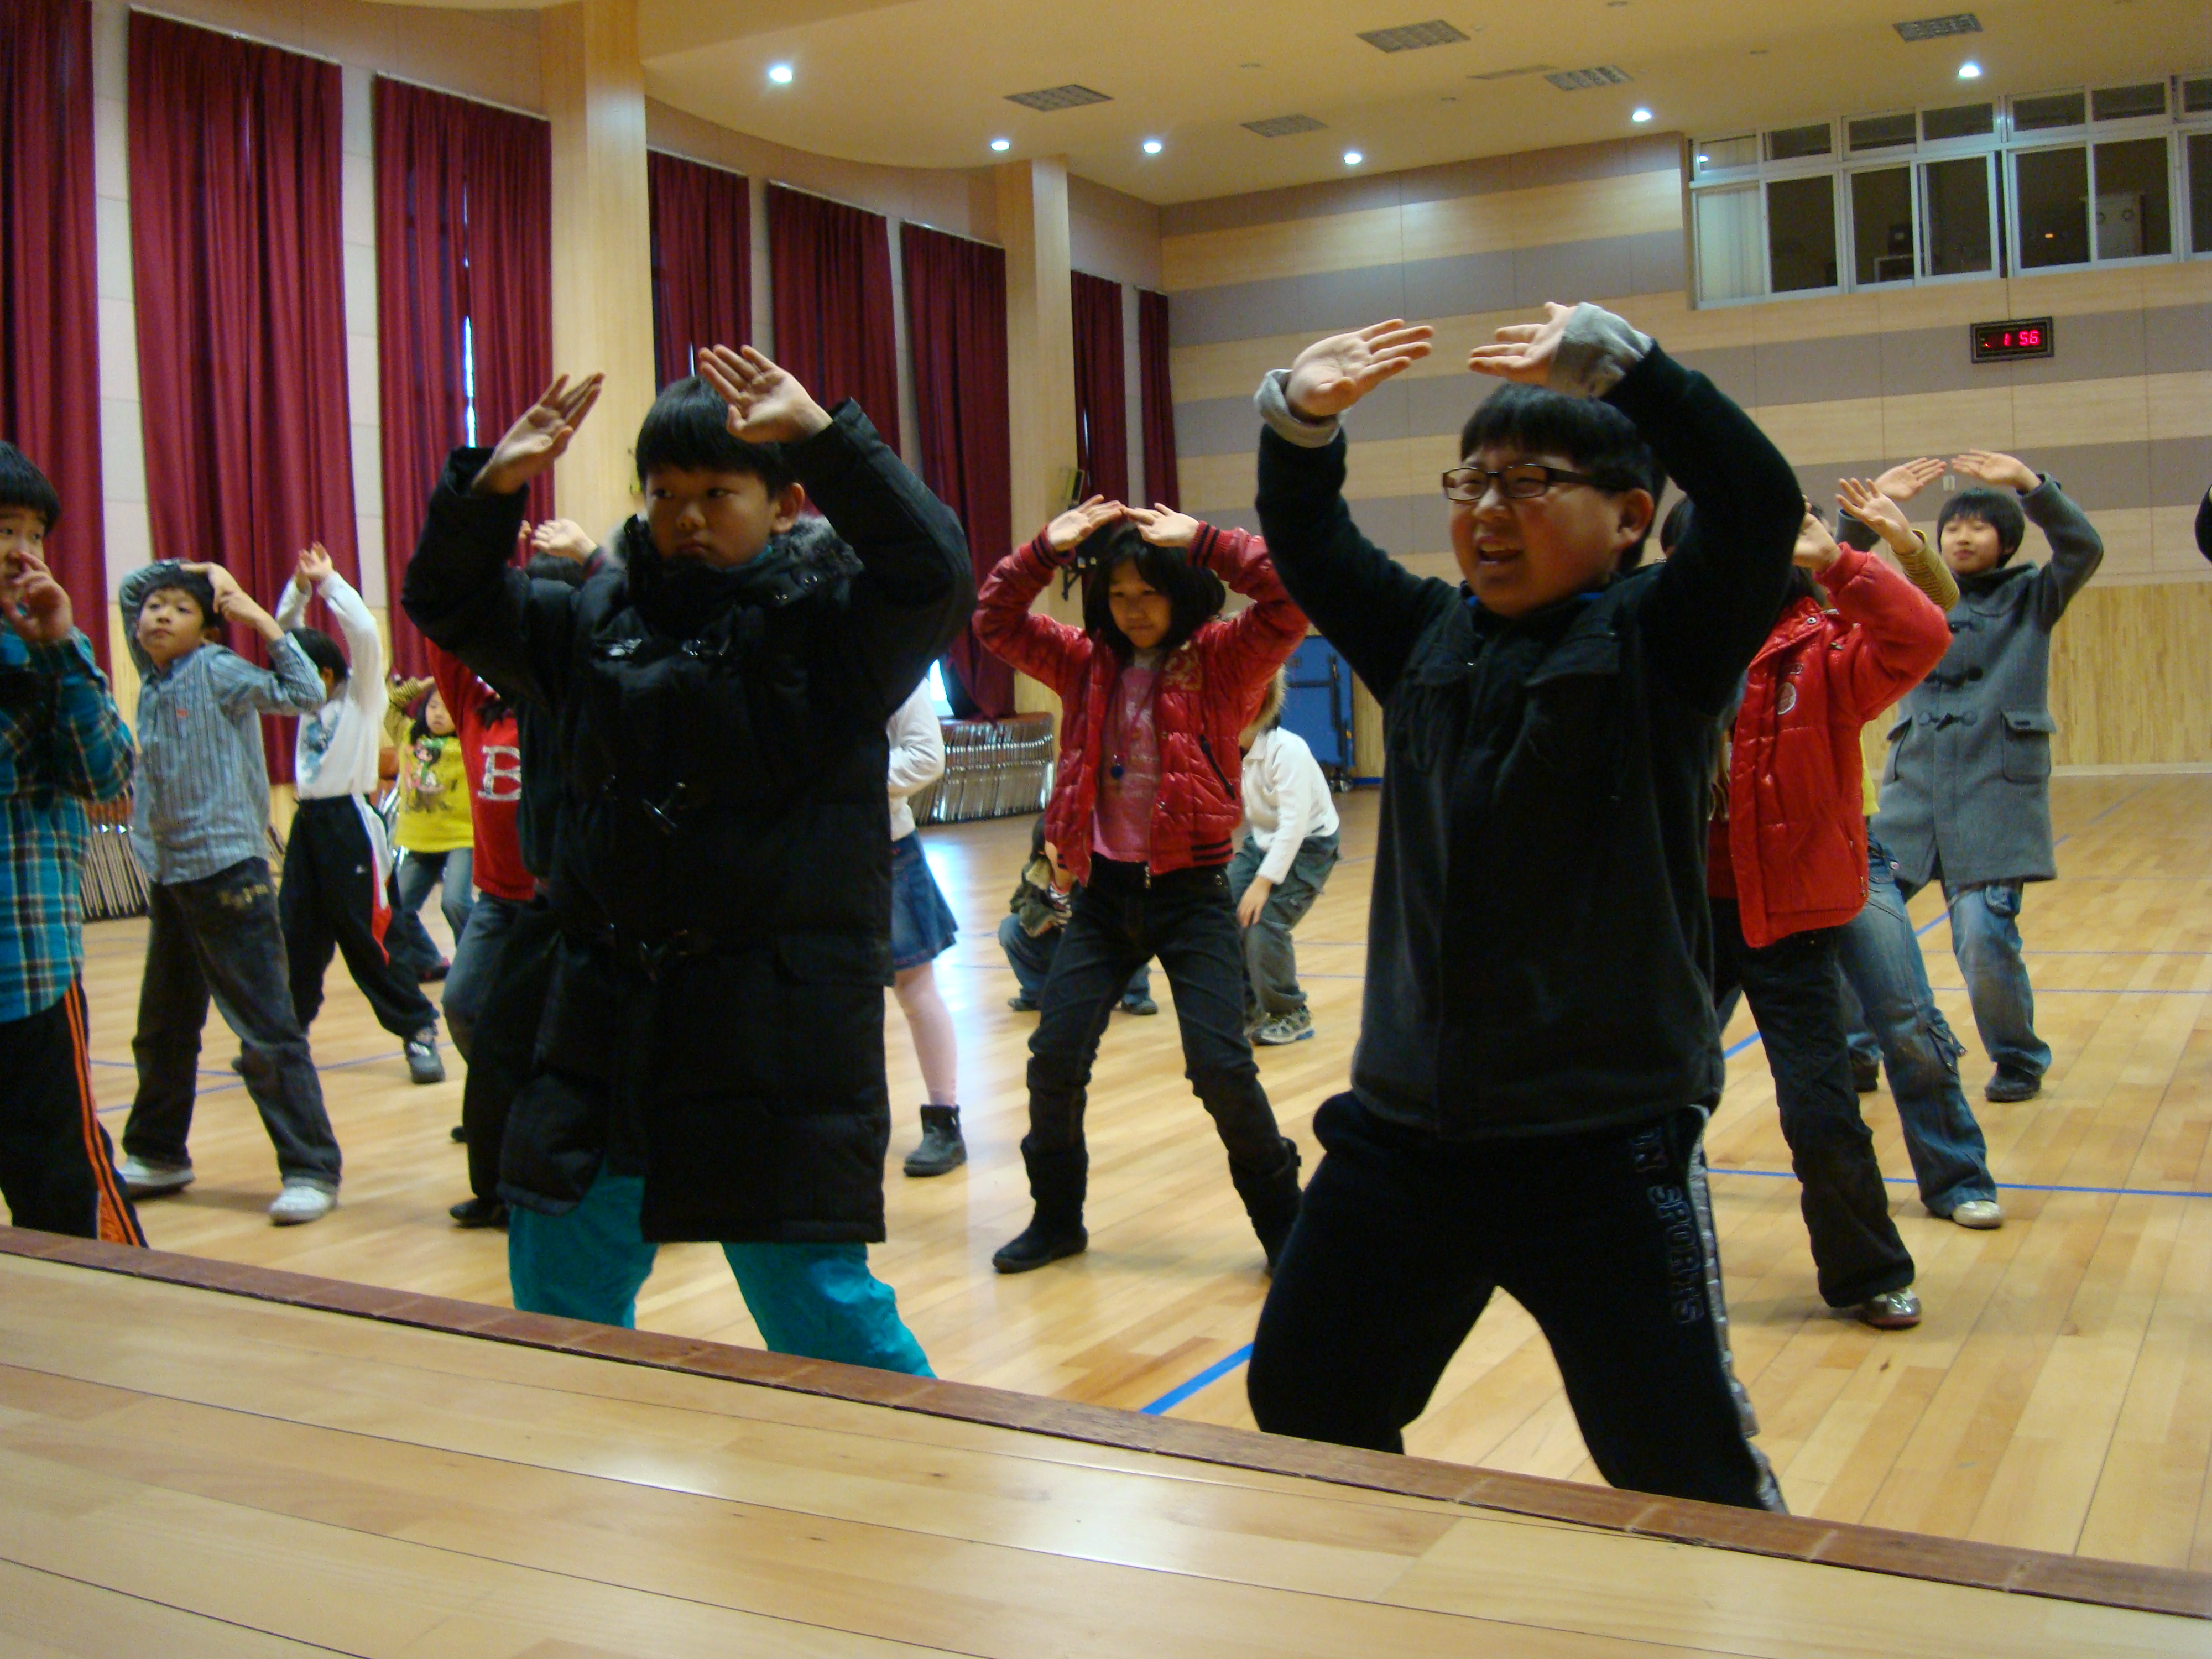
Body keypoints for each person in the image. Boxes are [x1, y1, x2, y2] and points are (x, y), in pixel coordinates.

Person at [1243, 302, 1800, 1510]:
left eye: (1529, 482)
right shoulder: (1427, 637)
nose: (1485, 512)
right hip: (1402, 1136)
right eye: (1471, 480)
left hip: (1601, 1146)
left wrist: (1631, 372)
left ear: (1629, 516)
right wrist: (1298, 423)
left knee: (1680, 1473)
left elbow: (1757, 507)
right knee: (1305, 1400)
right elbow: (1306, 535)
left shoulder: (1664, 640)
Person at [403, 345, 972, 1370]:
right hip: (597, 1023)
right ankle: (584, 1504)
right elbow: (449, 603)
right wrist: (486, 489)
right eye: (666, 493)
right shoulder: (581, 622)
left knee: (815, 1300)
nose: (690, 517)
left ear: (785, 502)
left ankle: (928, 1480)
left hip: (770, 1029)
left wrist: (829, 439)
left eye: (720, 491)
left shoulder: (835, 632)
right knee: (560, 1296)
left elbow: (934, 572)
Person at [975, 498, 1308, 1275]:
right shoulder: (1083, 661)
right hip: (1101, 899)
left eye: (1149, 593)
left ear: (1182, 591)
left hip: (1192, 897)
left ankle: (1288, 1229)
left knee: (1220, 1066)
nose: (1134, 610)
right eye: (1119, 596)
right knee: (1054, 1059)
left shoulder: (1223, 659)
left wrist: (1208, 542)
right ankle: (1058, 1220)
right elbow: (993, 619)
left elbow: (1290, 601)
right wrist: (1042, 553)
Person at [1707, 492, 1951, 1331]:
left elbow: (1922, 636)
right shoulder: (1662, 641)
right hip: (1679, 915)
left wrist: (1840, 560)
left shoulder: (1822, 653)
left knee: (1819, 1106)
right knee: (1647, 1098)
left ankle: (1868, 1271)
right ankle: (1622, 1261)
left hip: (1786, 914)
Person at [114, 558, 345, 1224]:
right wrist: (190, 571)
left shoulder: (216, 671)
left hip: (230, 878)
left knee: (266, 1031)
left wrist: (257, 616)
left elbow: (305, 693)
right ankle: (159, 1152)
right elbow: (133, 590)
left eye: (179, 609)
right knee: (163, 1027)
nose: (158, 614)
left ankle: (310, 1166)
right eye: (153, 609)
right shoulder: (154, 676)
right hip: (172, 876)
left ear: (210, 631)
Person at [1873, 451, 2104, 1104]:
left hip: (1993, 794)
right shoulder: (1911, 593)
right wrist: (1871, 515)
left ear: (2005, 541)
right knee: (1859, 922)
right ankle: (1859, 1048)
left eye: (1979, 526)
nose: (1962, 537)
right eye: (1952, 527)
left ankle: (2018, 1057)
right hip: (1911, 796)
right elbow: (1838, 573)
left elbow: (2082, 546)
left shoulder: (2033, 596)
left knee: (1983, 938)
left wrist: (2030, 485)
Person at [1831, 461, 2003, 1230]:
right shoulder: (1696, 636)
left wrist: (1884, 534)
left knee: (1910, 1023)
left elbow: (1925, 610)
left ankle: (1957, 1174)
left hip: (1842, 853)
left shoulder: (1820, 638)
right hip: (1723, 866)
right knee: (1691, 1033)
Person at [0, 444, 143, 1244]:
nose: (21, 552)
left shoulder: (59, 650)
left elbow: (105, 778)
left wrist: (55, 647)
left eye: (33, 532)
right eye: (2, 529)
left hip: (28, 970)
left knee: (60, 1186)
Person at [273, 545, 446, 1088]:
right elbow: (284, 627)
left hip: (351, 824)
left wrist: (329, 582)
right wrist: (300, 589)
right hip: (308, 826)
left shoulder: (361, 695)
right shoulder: (309, 699)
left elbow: (367, 639)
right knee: (295, 935)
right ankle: (287, 1036)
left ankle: (417, 1029)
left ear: (327, 672)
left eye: (301, 673)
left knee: (371, 941)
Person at [424, 638, 529, 1228]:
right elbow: (443, 634)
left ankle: (531, 1171)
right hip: (497, 902)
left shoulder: (564, 704)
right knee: (464, 1005)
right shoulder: (473, 708)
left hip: (558, 904)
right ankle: (502, 1139)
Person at [1228, 669, 1340, 1046]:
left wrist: (1263, 884)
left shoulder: (1287, 750)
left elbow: (1293, 826)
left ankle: (1290, 1011)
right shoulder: (1229, 752)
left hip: (1309, 845)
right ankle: (1247, 1009)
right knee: (1222, 909)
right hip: (1263, 841)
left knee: (1264, 922)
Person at [885, 680, 967, 1176]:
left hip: (885, 847)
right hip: (803, 849)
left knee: (916, 992)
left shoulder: (896, 665)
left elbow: (924, 757)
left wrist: (841, 779)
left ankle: (944, 1122)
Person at [998, 820, 1154, 1015]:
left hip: (1097, 949)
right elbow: (1019, 902)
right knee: (1010, 928)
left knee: (1126, 929)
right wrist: (1037, 916)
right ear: (1041, 851)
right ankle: (1038, 994)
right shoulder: (1033, 873)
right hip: (1062, 948)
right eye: (1056, 843)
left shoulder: (1096, 873)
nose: (1066, 848)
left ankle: (1136, 996)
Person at [384, 674, 473, 979]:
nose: (437, 713)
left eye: (446, 709)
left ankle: (476, 965)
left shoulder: (468, 743)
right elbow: (390, 706)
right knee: (399, 908)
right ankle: (429, 962)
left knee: (455, 902)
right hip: (421, 840)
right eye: (433, 706)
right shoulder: (409, 736)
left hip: (461, 836)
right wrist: (421, 685)